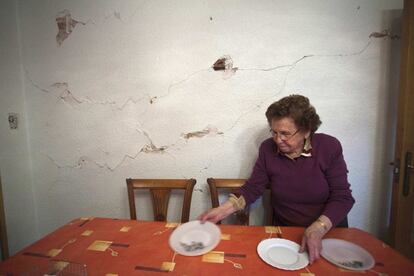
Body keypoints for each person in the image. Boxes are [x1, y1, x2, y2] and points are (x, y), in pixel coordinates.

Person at [199, 94, 355, 264]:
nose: (278, 140)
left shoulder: (329, 147)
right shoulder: (268, 149)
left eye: (285, 133)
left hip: (328, 231)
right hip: (288, 234)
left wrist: (318, 227)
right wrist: (223, 209)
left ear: (306, 130)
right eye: (274, 132)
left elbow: (343, 197)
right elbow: (253, 187)